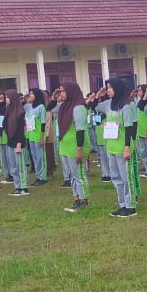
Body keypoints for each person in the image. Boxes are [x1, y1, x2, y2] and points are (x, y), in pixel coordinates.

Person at [100, 78, 137, 217]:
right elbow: (92, 107)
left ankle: (131, 205)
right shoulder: (109, 104)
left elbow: (128, 127)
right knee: (116, 177)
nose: (108, 90)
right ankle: (122, 203)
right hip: (112, 146)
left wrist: (127, 147)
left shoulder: (126, 106)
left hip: (123, 146)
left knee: (126, 177)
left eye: (110, 87)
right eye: (107, 87)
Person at [55, 83, 91, 212]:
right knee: (71, 175)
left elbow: (80, 130)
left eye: (63, 91)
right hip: (65, 145)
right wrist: (55, 98)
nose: (61, 94)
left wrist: (79, 148)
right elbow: (51, 107)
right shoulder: (65, 106)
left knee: (79, 174)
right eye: (60, 91)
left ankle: (84, 200)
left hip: (76, 146)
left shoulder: (79, 107)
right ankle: (76, 198)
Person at [0, 90, 29, 196]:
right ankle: (17, 186)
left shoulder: (20, 112)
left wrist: (19, 143)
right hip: (10, 141)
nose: (6, 99)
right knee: (13, 166)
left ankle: (24, 187)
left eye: (8, 97)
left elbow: (21, 129)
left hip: (18, 142)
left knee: (20, 165)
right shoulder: (9, 110)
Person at [24, 89, 49, 186]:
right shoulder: (28, 107)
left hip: (39, 135)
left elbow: (43, 123)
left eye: (32, 94)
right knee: (34, 157)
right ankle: (38, 176)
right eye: (30, 94)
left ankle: (43, 177)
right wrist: (26, 100)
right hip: (31, 135)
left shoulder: (41, 107)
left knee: (40, 157)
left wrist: (42, 137)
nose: (30, 95)